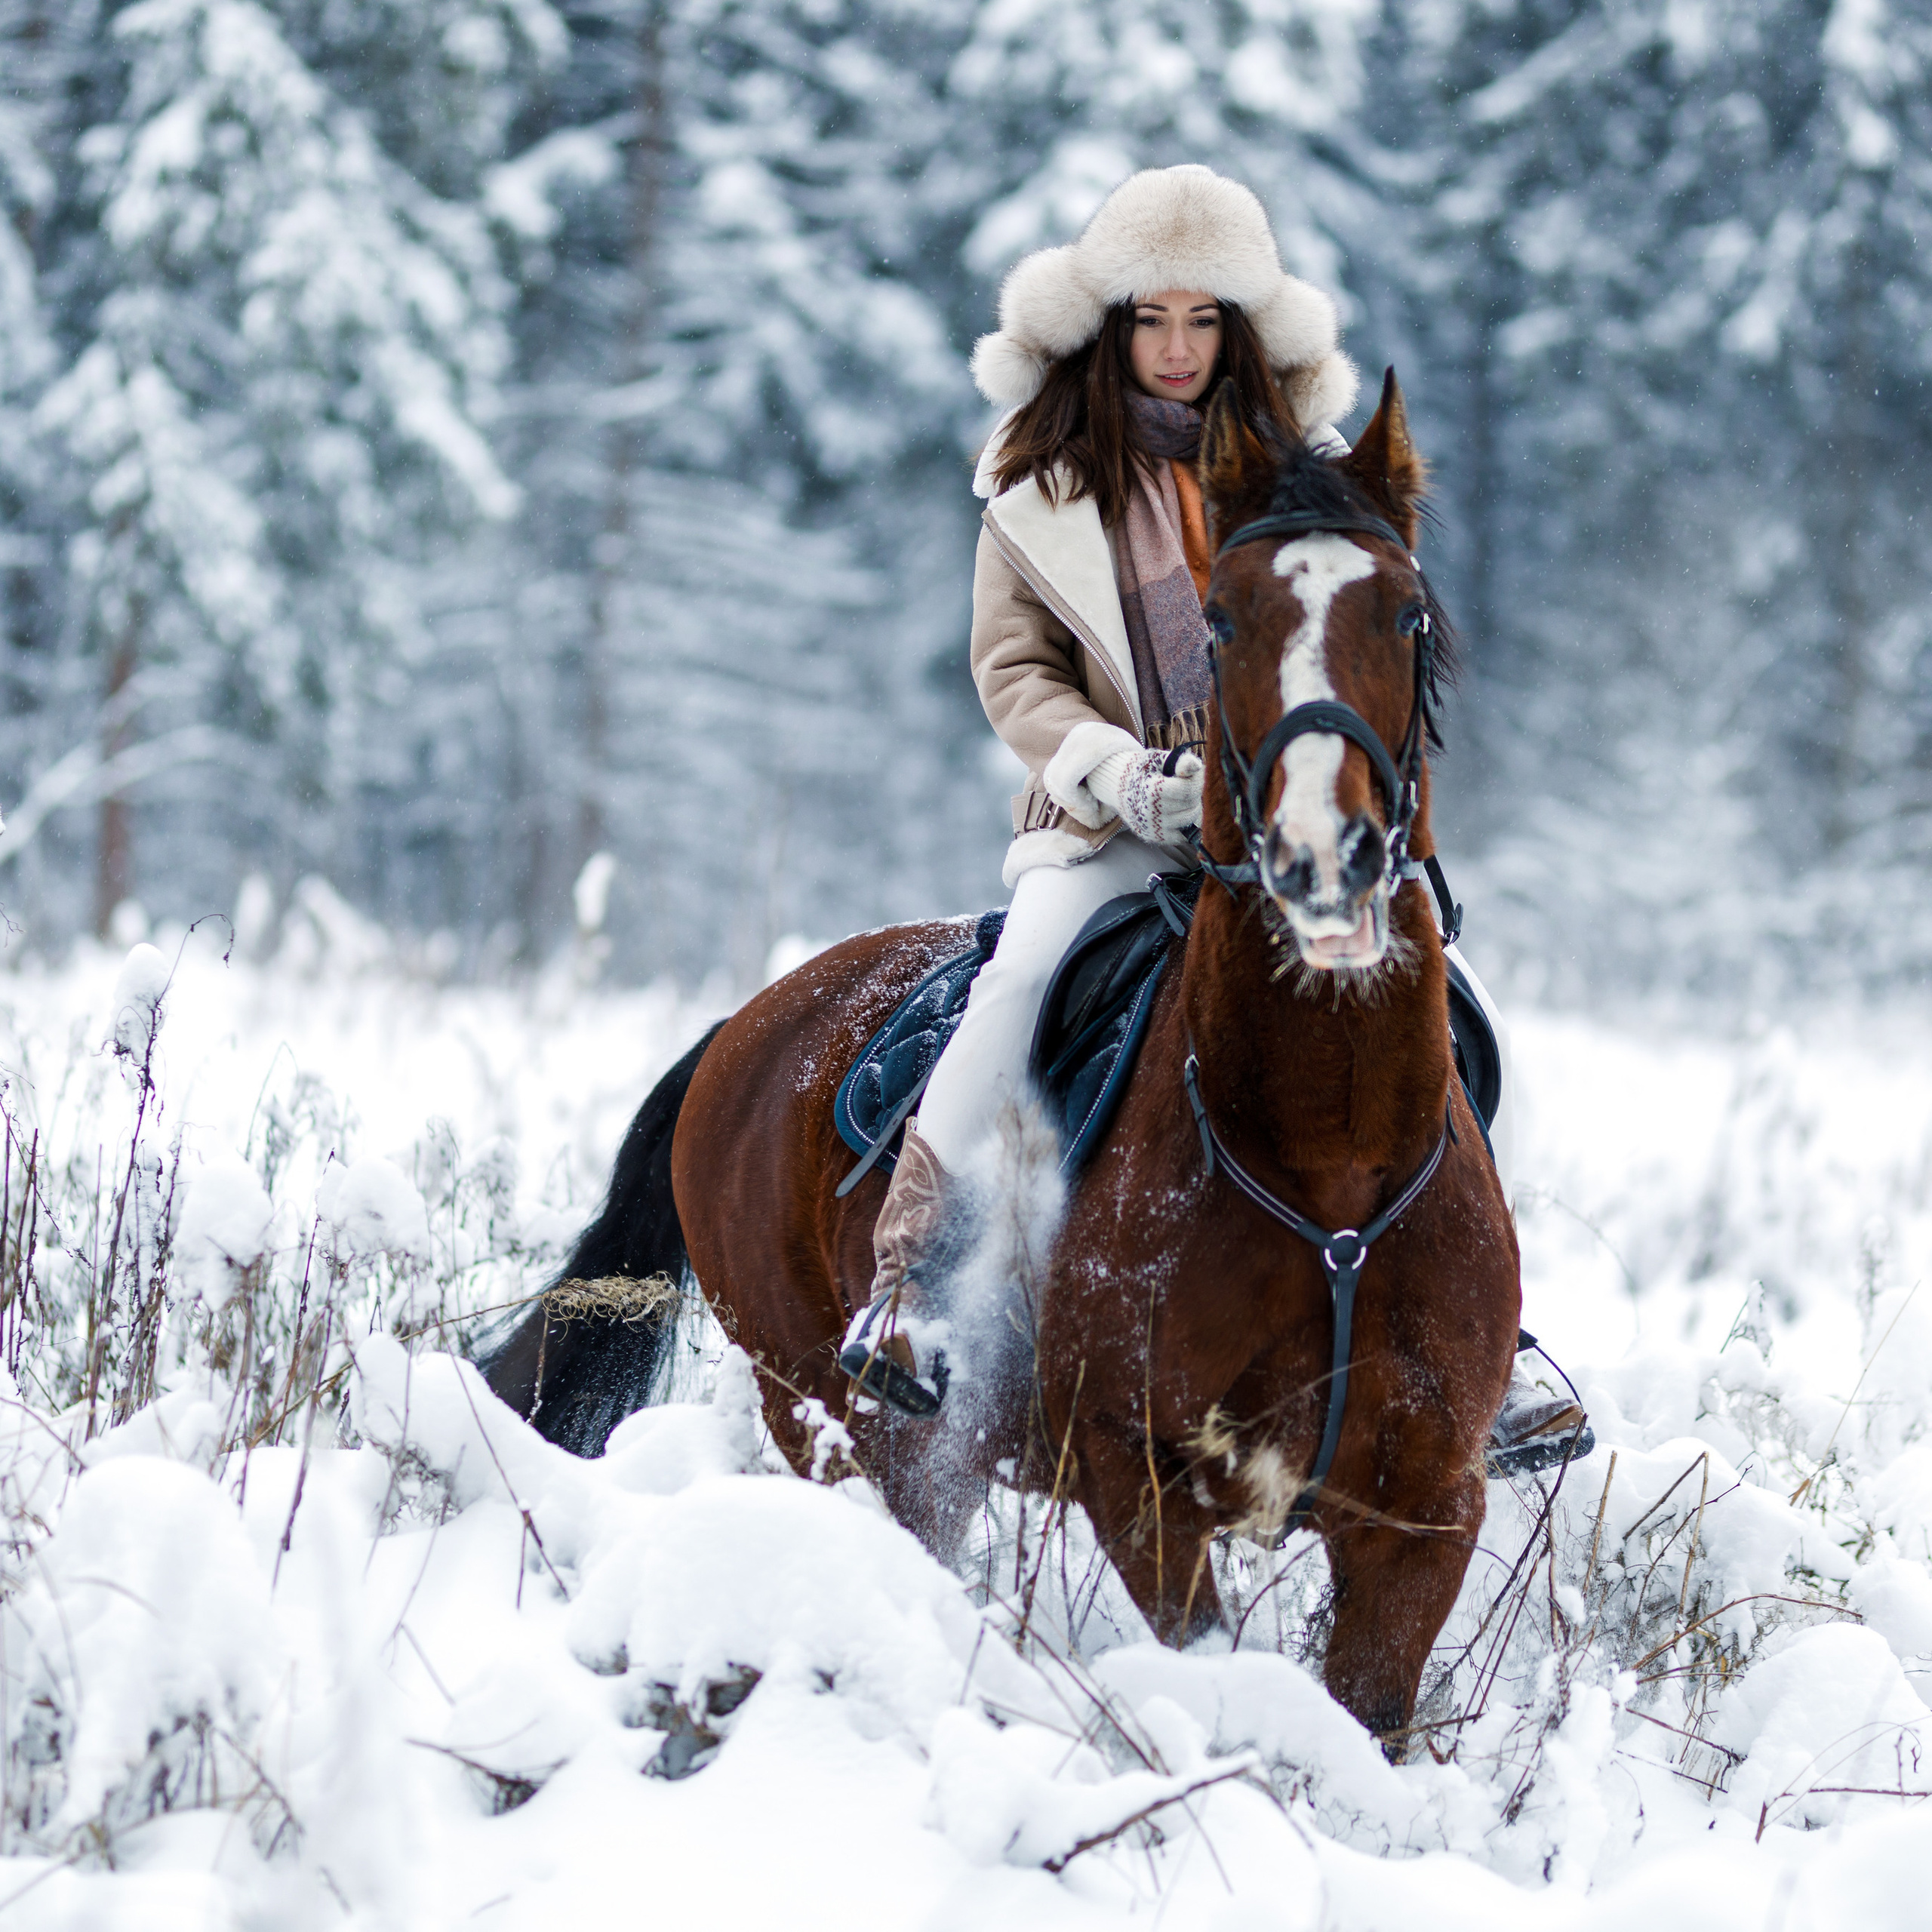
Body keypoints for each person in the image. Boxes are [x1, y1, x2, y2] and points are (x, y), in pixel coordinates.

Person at [840, 165, 1584, 1470]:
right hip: (1108, 818)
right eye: (1150, 318)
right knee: (1016, 987)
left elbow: (1368, 656)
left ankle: (1499, 1341)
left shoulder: (1319, 482)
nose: (1177, 349)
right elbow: (1012, 673)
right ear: (1109, 327)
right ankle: (906, 1287)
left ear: (1242, 332)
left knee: (1466, 1016)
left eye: (1203, 320)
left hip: (1290, 817)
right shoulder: (1035, 489)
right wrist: (1120, 776)